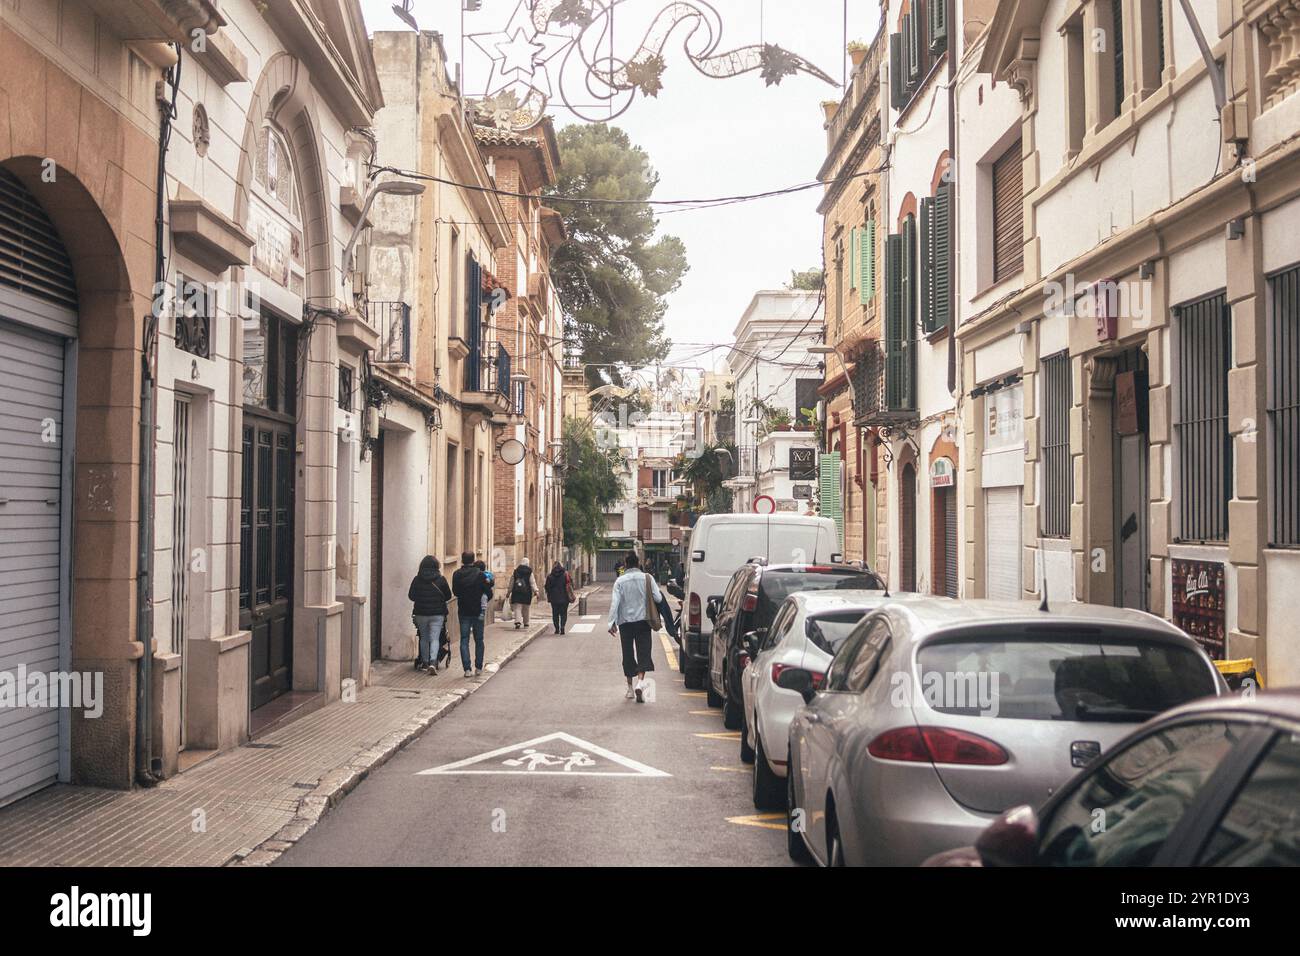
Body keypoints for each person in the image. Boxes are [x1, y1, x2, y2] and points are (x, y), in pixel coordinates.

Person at [607, 552, 661, 703]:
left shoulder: (620, 581)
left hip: (625, 622)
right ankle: (640, 682)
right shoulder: (647, 578)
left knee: (628, 653)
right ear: (638, 563)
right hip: (643, 621)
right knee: (643, 651)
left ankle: (630, 689)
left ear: (625, 564)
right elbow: (658, 598)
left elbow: (615, 603)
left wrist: (611, 622)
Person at [408, 555, 451, 673]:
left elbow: (411, 596)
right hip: (437, 614)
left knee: (424, 638)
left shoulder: (417, 579)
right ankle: (433, 662)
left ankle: (425, 663)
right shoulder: (441, 580)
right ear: (437, 566)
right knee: (435, 638)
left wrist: (421, 598)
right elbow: (448, 596)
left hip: (421, 613)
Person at [452, 552, 492, 677]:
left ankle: (467, 669)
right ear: (473, 560)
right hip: (478, 611)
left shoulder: (457, 574)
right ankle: (479, 667)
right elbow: (488, 592)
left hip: (463, 611)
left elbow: (455, 591)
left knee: (464, 640)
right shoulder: (480, 575)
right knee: (479, 639)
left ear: (462, 560)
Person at [544, 561, 574, 635]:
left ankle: (557, 629)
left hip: (554, 599)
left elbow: (547, 587)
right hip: (564, 598)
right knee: (563, 613)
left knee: (555, 614)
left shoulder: (550, 576)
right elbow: (571, 583)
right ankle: (562, 627)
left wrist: (550, 594)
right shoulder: (565, 575)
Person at [509, 557, 538, 628]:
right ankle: (526, 622)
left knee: (517, 607)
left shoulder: (516, 571)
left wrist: (509, 591)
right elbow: (532, 582)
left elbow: (511, 582)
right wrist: (536, 591)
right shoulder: (529, 572)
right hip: (527, 592)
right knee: (526, 608)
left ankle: (518, 622)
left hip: (517, 591)